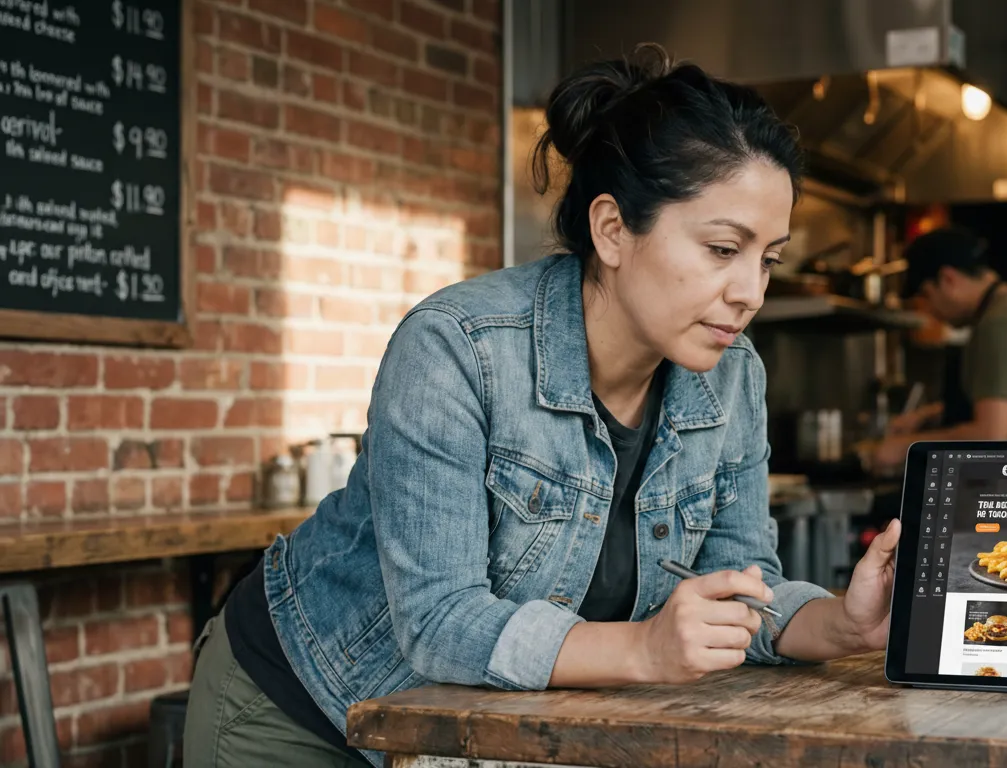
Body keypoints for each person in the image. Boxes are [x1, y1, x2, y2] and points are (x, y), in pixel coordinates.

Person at [184, 44, 901, 767]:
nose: (751, 290)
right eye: (722, 249)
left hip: (468, 737)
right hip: (302, 709)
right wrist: (645, 647)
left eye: (768, 259)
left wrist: (841, 624)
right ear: (613, 230)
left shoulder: (731, 375)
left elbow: (743, 586)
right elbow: (439, 623)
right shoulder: (458, 347)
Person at [877, 227, 1007, 467]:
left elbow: (991, 435)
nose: (930, 310)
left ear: (948, 279)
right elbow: (1004, 399)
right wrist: (925, 416)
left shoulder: (1001, 322)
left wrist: (905, 447)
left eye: (926, 295)